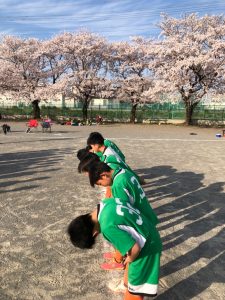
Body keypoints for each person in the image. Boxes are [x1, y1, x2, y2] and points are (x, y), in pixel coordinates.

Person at [67, 197, 162, 300]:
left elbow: (135, 249)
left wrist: (130, 259)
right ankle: (125, 285)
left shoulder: (107, 227)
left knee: (135, 289)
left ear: (94, 234)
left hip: (148, 246)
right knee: (131, 267)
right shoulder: (106, 203)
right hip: (147, 230)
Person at [88, 161, 158, 272]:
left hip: (141, 220)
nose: (103, 186)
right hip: (146, 213)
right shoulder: (122, 172)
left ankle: (118, 260)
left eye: (100, 183)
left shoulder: (118, 185)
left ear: (104, 175)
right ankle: (118, 257)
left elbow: (122, 214)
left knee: (130, 250)